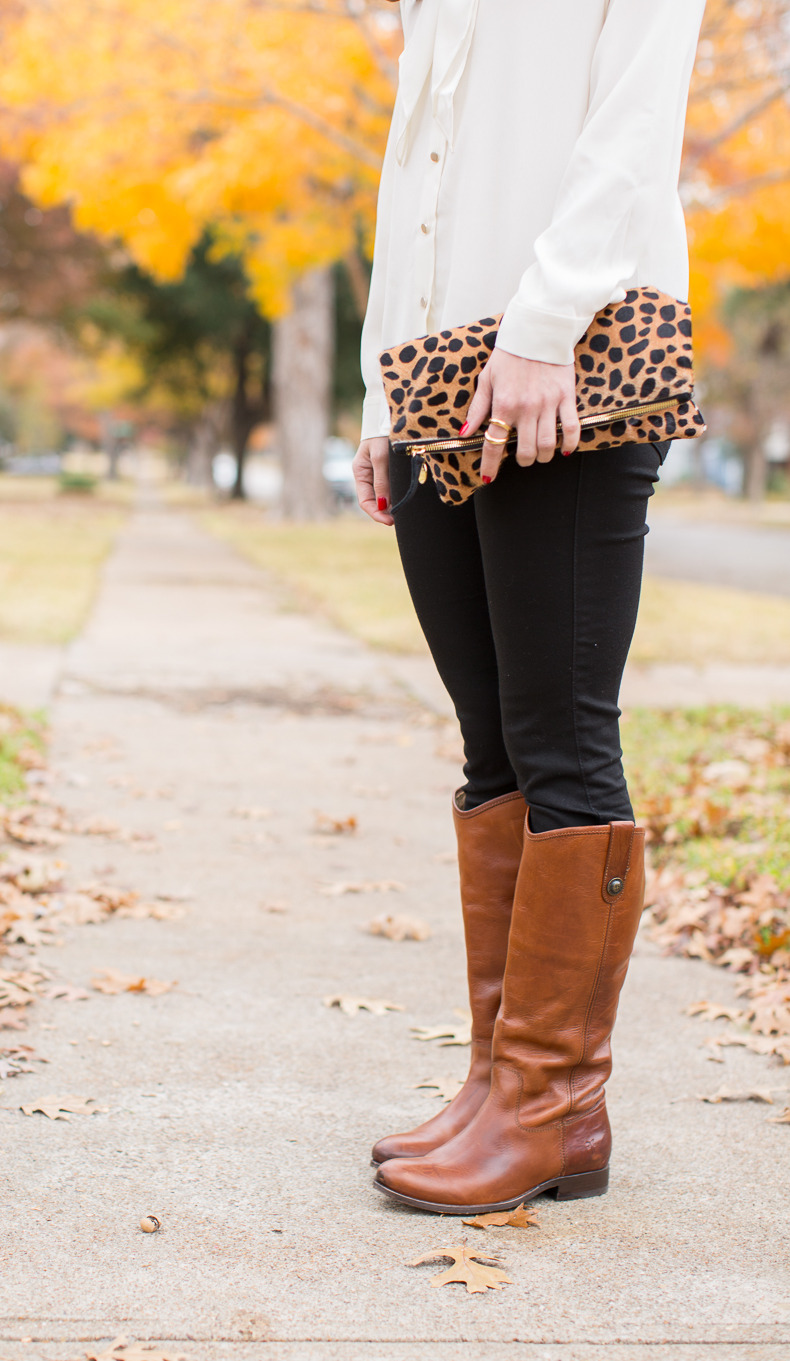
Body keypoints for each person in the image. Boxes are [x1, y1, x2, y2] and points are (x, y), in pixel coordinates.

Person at [353, 0, 706, 1215]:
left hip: (576, 349)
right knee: (492, 737)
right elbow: (420, 157)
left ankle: (554, 1101)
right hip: (439, 367)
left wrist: (547, 324)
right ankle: (510, 1083)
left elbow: (631, 131)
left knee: (561, 739)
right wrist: (376, 393)